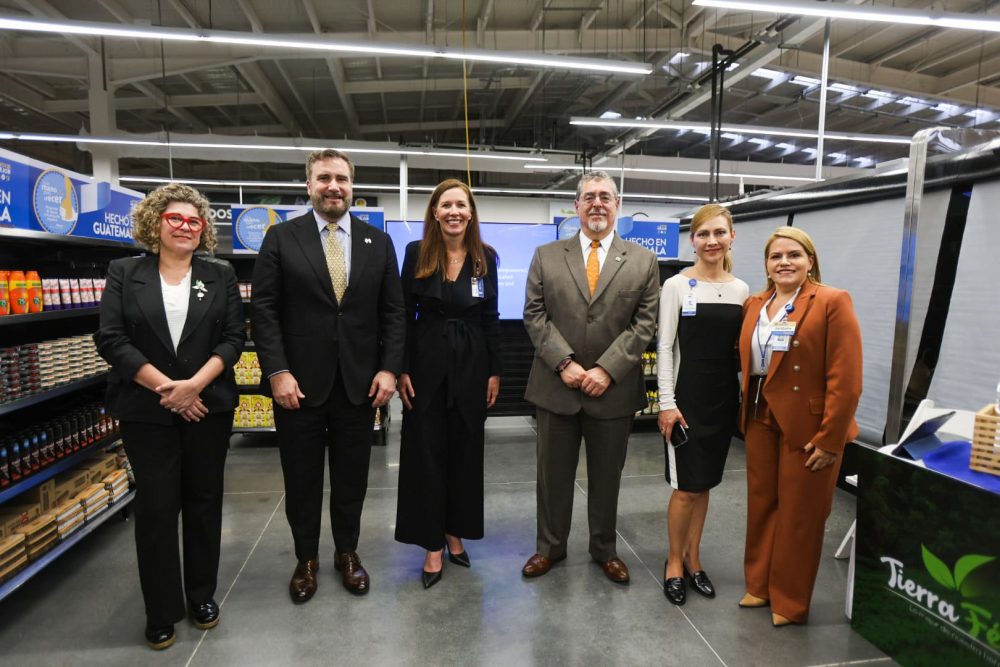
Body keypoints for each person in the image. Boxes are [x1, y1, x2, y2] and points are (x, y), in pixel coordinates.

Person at [251, 148, 405, 602]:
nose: (333, 186)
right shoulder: (281, 238)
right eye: (324, 178)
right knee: (301, 479)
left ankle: (347, 553)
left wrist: (390, 369)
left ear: (352, 186)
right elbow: (264, 312)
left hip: (359, 385)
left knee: (352, 477)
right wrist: (277, 371)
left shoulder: (378, 243)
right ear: (309, 185)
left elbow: (394, 313)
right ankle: (306, 559)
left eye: (341, 178)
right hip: (297, 386)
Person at [94, 184, 244, 650]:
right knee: (157, 510)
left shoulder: (220, 275)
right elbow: (112, 340)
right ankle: (160, 610)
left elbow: (234, 339)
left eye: (194, 221)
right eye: (174, 219)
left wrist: (194, 386)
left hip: (207, 407)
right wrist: (169, 390)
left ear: (204, 230)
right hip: (147, 411)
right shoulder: (125, 272)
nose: (184, 226)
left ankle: (202, 595)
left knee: (204, 502)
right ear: (155, 222)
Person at [521, 171, 659, 584]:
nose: (597, 203)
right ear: (577, 206)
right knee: (552, 477)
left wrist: (606, 369)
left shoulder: (642, 260)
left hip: (612, 392)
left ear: (617, 205)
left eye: (606, 197)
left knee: (606, 479)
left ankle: (604, 549)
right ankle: (550, 548)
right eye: (589, 197)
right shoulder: (547, 255)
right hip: (555, 387)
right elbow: (534, 314)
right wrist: (564, 363)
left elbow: (645, 323)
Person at [738, 227, 862, 626]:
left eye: (794, 254)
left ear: (811, 261)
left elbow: (846, 379)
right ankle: (759, 585)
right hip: (760, 417)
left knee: (800, 514)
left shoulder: (831, 301)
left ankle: (789, 602)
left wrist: (830, 439)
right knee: (762, 506)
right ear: (766, 266)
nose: (784, 262)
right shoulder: (755, 303)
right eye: (776, 257)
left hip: (809, 425)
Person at [394, 179, 502, 589]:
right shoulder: (416, 253)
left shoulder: (485, 257)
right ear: (435, 213)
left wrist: (495, 371)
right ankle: (432, 545)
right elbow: (403, 314)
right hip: (427, 364)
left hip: (473, 365)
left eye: (462, 204)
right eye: (447, 205)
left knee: (465, 452)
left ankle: (455, 531)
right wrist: (401, 367)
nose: (454, 211)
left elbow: (490, 317)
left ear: (471, 213)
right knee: (427, 453)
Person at [656, 204, 748, 606]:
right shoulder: (677, 285)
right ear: (692, 240)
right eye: (703, 234)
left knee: (705, 483)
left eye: (719, 233)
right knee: (684, 488)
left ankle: (695, 558)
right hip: (686, 398)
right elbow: (663, 347)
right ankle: (674, 561)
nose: (712, 241)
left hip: (723, 399)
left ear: (731, 237)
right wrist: (666, 403)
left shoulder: (742, 290)